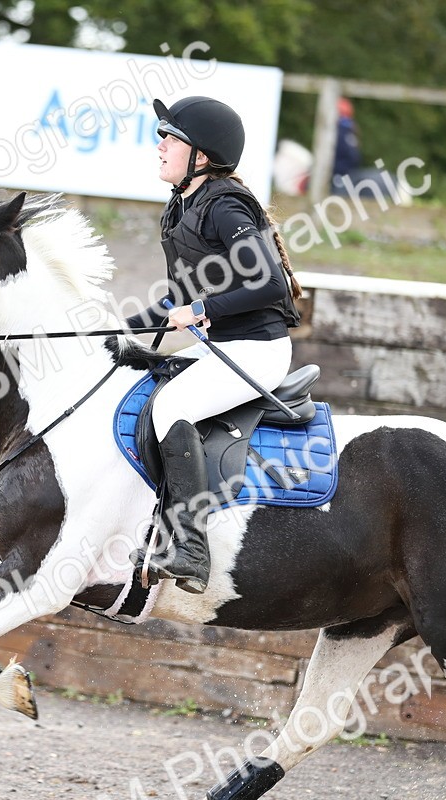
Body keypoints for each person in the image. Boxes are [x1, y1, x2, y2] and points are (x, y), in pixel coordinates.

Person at [126, 96, 303, 594]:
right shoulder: (181, 206)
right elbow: (178, 299)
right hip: (220, 346)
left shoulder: (224, 205)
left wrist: (203, 310)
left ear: (200, 156)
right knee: (135, 382)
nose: (160, 146)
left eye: (171, 138)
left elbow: (271, 285)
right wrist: (123, 328)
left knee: (172, 406)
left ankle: (191, 548)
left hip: (257, 350)